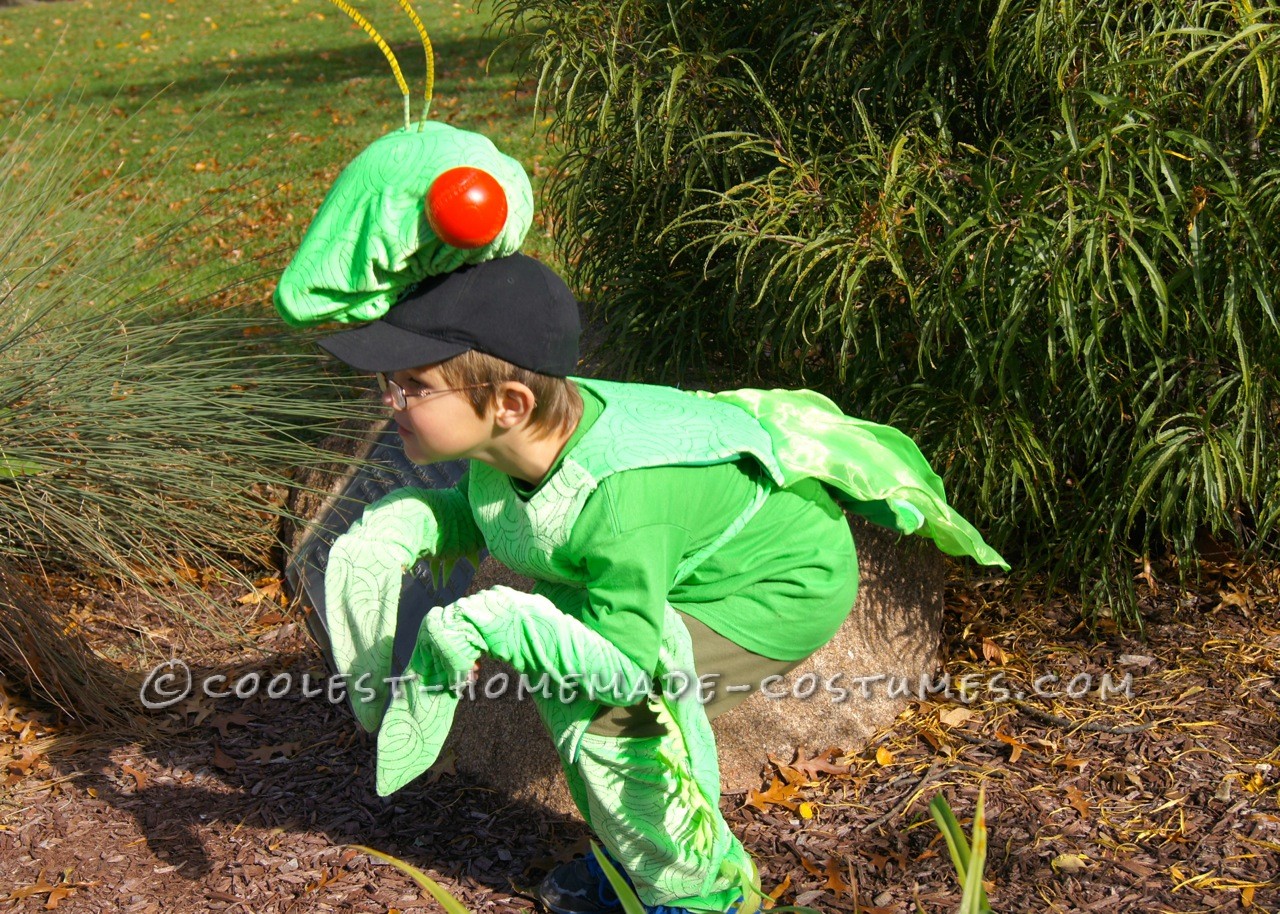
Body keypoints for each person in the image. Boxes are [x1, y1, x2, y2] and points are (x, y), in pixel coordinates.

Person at [313, 252, 1007, 914]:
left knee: (618, 722)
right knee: (580, 689)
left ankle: (699, 890)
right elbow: (497, 516)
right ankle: (633, 853)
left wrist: (504, 622)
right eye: (390, 384)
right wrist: (402, 528)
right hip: (678, 564)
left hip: (772, 589)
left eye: (413, 386)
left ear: (511, 403)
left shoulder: (618, 502)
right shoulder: (518, 441)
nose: (391, 400)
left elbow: (621, 670)